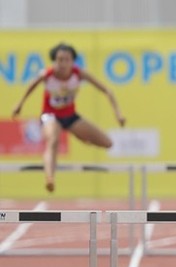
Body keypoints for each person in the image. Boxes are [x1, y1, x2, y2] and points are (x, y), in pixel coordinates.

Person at [11, 42, 126, 193]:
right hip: (50, 116)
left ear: (73, 61)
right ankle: (50, 178)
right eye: (59, 60)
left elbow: (107, 90)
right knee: (53, 140)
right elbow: (30, 88)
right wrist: (19, 105)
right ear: (54, 61)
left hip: (70, 117)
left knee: (107, 143)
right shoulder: (47, 74)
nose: (63, 64)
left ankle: (78, 135)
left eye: (67, 60)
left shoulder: (79, 74)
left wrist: (118, 114)